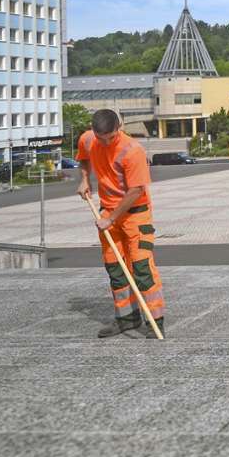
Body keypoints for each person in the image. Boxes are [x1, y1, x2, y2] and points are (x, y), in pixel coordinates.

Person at [76, 109, 166, 339]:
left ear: (120, 127)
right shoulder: (88, 139)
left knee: (142, 269)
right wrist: (85, 179)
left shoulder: (132, 150)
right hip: (108, 217)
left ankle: (156, 321)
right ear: (94, 131)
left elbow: (136, 190)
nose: (106, 142)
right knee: (116, 270)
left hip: (136, 215)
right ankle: (126, 319)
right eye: (101, 138)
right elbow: (84, 157)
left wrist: (111, 218)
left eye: (111, 137)